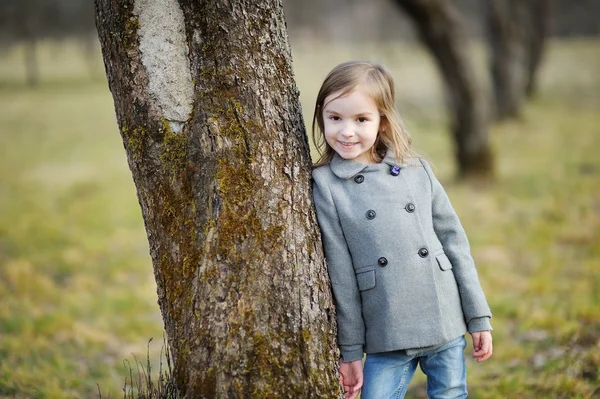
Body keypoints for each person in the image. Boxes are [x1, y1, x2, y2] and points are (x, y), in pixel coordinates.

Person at [311, 61, 493, 399]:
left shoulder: (417, 169)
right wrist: (350, 351)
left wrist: (478, 316)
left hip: (444, 317)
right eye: (336, 118)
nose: (347, 131)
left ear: (382, 121)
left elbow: (455, 244)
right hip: (386, 325)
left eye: (361, 119)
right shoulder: (326, 184)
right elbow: (340, 273)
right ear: (322, 115)